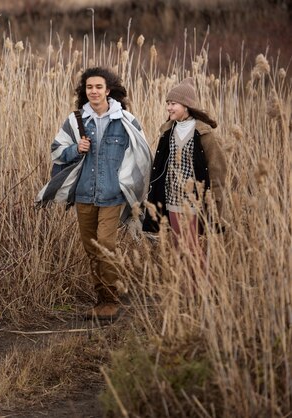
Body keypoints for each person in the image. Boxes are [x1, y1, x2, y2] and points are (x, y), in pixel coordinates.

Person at [47, 67, 151, 321]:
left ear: (108, 90)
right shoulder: (75, 121)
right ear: (85, 91)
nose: (93, 91)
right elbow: (56, 150)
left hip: (113, 195)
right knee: (92, 249)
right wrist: (75, 148)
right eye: (89, 87)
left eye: (98, 87)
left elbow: (142, 154)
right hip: (84, 195)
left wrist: (134, 189)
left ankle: (111, 300)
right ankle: (101, 299)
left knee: (105, 244)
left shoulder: (126, 120)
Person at [142, 77, 227, 267]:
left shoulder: (203, 133)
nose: (169, 108)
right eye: (168, 104)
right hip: (172, 199)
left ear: (186, 105)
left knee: (190, 248)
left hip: (194, 201)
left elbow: (217, 168)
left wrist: (215, 201)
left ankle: (202, 291)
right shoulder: (168, 131)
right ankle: (187, 290)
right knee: (178, 246)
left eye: (173, 104)